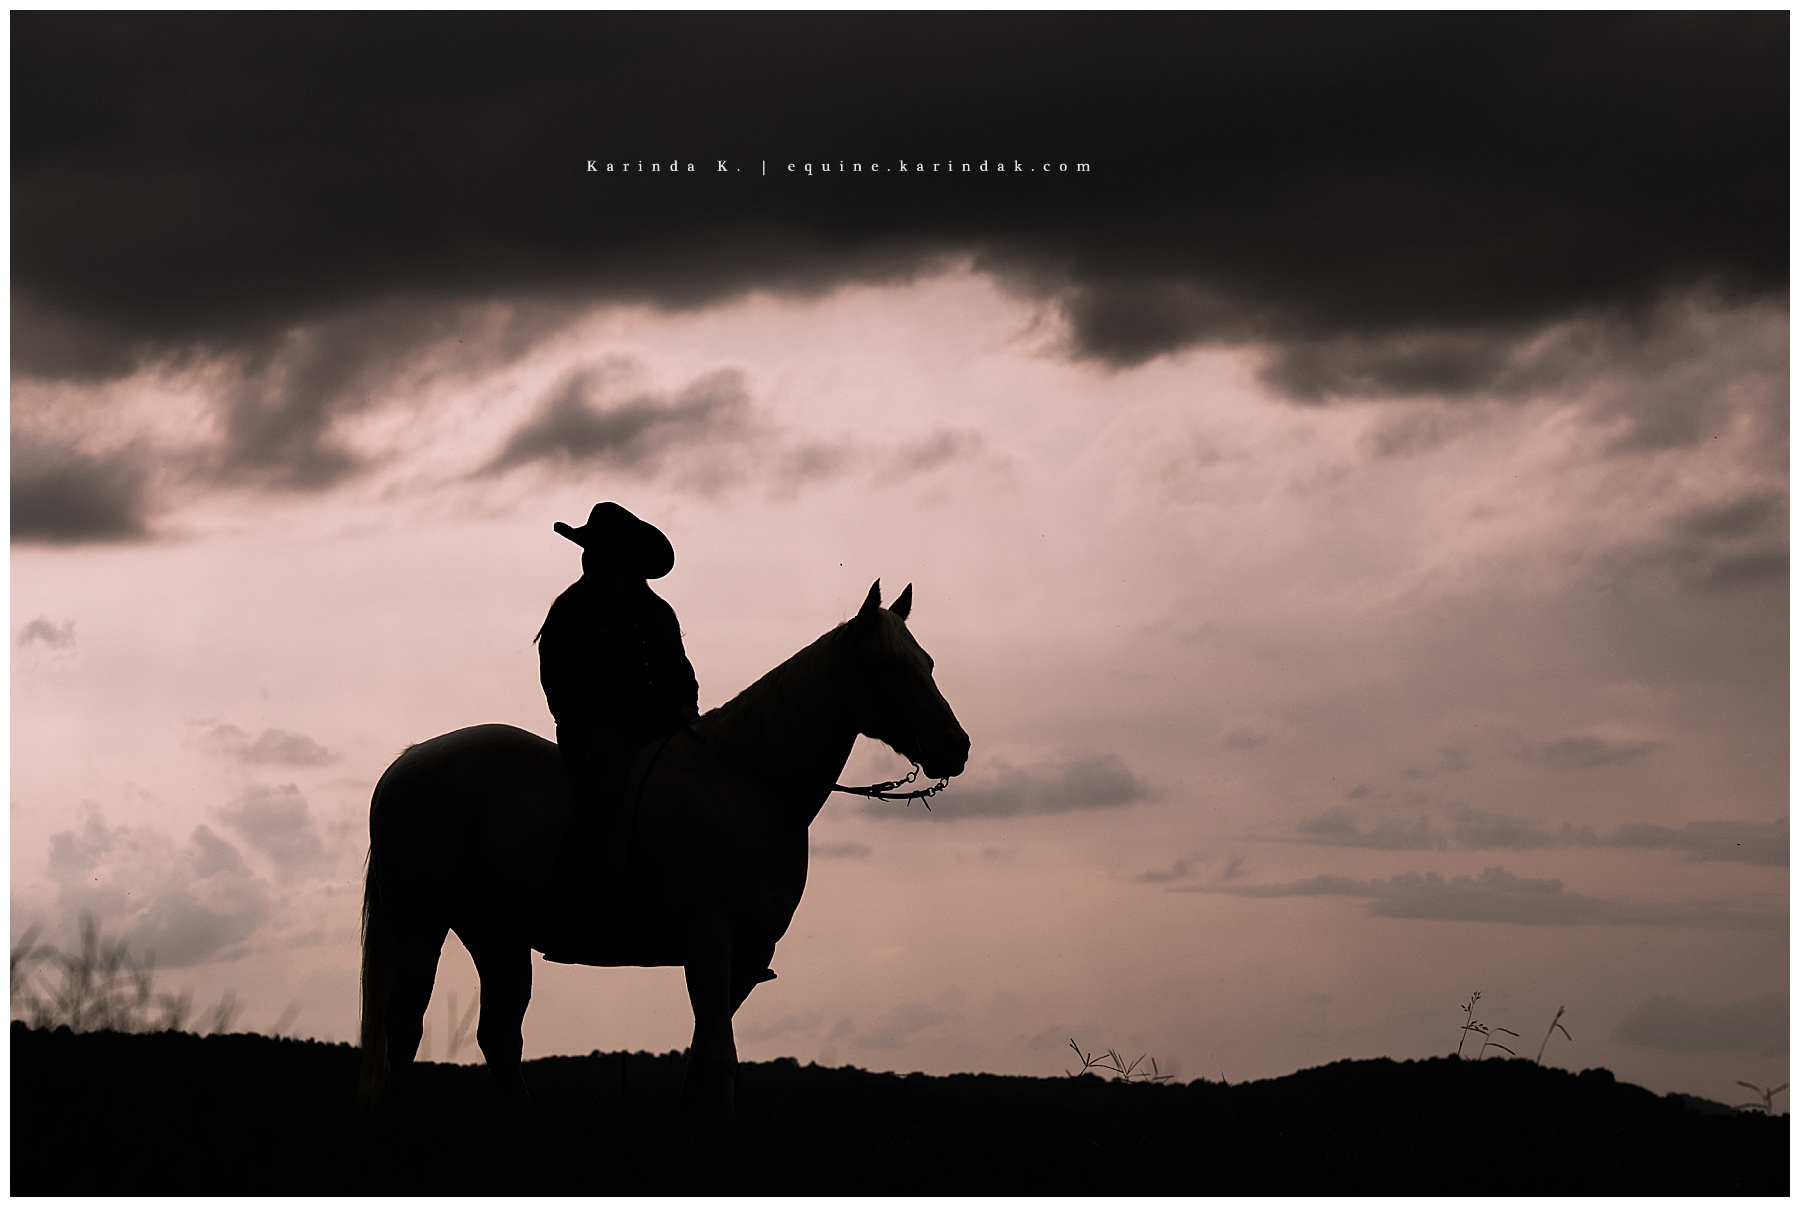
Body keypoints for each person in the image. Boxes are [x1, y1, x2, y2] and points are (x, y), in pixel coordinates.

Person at [536, 503, 700, 868]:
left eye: (601, 547)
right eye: (590, 548)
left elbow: (680, 672)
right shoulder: (572, 610)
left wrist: (687, 708)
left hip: (660, 732)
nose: (590, 557)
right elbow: (559, 681)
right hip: (597, 737)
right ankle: (575, 895)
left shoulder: (657, 614)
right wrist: (588, 733)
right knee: (600, 808)